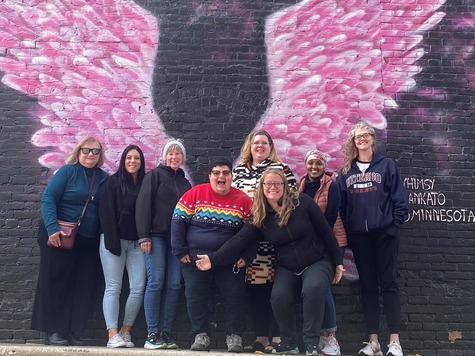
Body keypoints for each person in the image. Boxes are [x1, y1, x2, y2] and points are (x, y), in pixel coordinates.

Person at [196, 168, 345, 356]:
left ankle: (311, 343)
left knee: (313, 289)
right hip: (287, 265)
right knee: (278, 296)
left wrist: (338, 261)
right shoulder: (260, 215)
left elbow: (325, 231)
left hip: (317, 260)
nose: (272, 187)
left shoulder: (302, 202)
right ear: (262, 187)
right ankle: (290, 342)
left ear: (284, 185)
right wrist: (213, 259)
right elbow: (239, 240)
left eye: (277, 183)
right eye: (268, 184)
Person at [338, 122, 409, 356]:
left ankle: (395, 342)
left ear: (373, 138)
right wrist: (351, 229)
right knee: (368, 287)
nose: (362, 139)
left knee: (388, 283)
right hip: (360, 238)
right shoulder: (346, 171)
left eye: (366, 135)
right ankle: (374, 341)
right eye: (358, 136)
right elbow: (343, 206)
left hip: (384, 234)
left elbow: (399, 199)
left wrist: (393, 226)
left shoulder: (386, 165)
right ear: (353, 141)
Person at [31, 136, 109, 346]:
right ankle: (53, 330)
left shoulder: (103, 177)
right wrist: (52, 229)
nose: (90, 155)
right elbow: (49, 198)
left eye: (95, 151)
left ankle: (73, 330)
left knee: (83, 285)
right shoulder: (68, 171)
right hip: (60, 235)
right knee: (57, 281)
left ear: (100, 155)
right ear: (78, 151)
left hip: (88, 238)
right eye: (86, 150)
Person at [171, 160, 255, 353]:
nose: (221, 177)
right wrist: (180, 251)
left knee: (235, 298)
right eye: (216, 173)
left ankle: (235, 338)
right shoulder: (195, 193)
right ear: (210, 176)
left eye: (226, 173)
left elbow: (253, 232)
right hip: (194, 260)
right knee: (195, 297)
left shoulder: (243, 200)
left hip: (229, 262)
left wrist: (247, 256)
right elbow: (177, 222)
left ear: (232, 177)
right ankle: (201, 336)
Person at [232, 130, 297, 353]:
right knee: (256, 290)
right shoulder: (239, 170)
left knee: (276, 290)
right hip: (251, 242)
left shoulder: (282, 170)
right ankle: (261, 337)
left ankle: (278, 337)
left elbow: (292, 199)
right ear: (249, 146)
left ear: (271, 147)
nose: (259, 146)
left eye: (264, 143)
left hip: (274, 240)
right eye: (255, 143)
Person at [135, 139, 192, 349]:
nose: (174, 157)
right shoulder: (155, 176)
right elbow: (143, 205)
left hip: (177, 241)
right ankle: (152, 333)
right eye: (170, 153)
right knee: (156, 282)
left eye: (178, 154)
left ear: (182, 158)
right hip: (155, 237)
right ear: (165, 156)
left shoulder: (185, 183)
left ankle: (167, 332)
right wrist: (144, 235)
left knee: (175, 284)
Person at [299, 150, 347, 356]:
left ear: (324, 166)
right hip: (309, 244)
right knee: (316, 286)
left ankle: (331, 337)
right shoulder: (299, 186)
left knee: (323, 285)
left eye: (318, 163)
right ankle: (322, 335)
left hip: (332, 241)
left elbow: (329, 218)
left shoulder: (332, 186)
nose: (314, 167)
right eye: (311, 163)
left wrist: (317, 241)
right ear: (305, 164)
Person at [98, 145, 147, 348]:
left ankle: (125, 331)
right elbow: (106, 214)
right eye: (129, 158)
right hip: (113, 241)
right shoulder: (111, 183)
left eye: (136, 158)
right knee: (113, 287)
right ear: (123, 160)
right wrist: (112, 242)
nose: (132, 161)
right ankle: (112, 335)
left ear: (141, 162)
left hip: (138, 244)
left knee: (137, 287)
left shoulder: (146, 183)